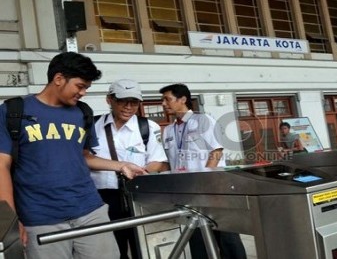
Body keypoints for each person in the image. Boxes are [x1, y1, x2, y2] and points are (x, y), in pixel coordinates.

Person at [0, 52, 146, 259]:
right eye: (80, 86)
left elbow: (84, 156)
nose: (83, 93)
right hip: (41, 218)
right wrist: (10, 220)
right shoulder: (13, 112)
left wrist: (120, 165)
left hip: (90, 211)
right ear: (58, 79)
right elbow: (1, 166)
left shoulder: (82, 113)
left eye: (86, 87)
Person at [160, 83, 247, 259]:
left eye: (167, 99)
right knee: (196, 235)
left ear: (182, 99)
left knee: (225, 233)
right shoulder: (168, 130)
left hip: (211, 189)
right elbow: (170, 162)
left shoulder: (203, 121)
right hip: (186, 193)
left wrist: (208, 183)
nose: (163, 103)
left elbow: (216, 151)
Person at [91, 79, 168, 258]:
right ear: (109, 100)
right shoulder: (93, 126)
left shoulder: (148, 127)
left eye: (134, 102)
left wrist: (141, 173)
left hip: (137, 195)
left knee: (142, 245)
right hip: (102, 198)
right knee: (112, 249)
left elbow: (158, 161)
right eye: (122, 101)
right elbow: (85, 157)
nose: (128, 107)